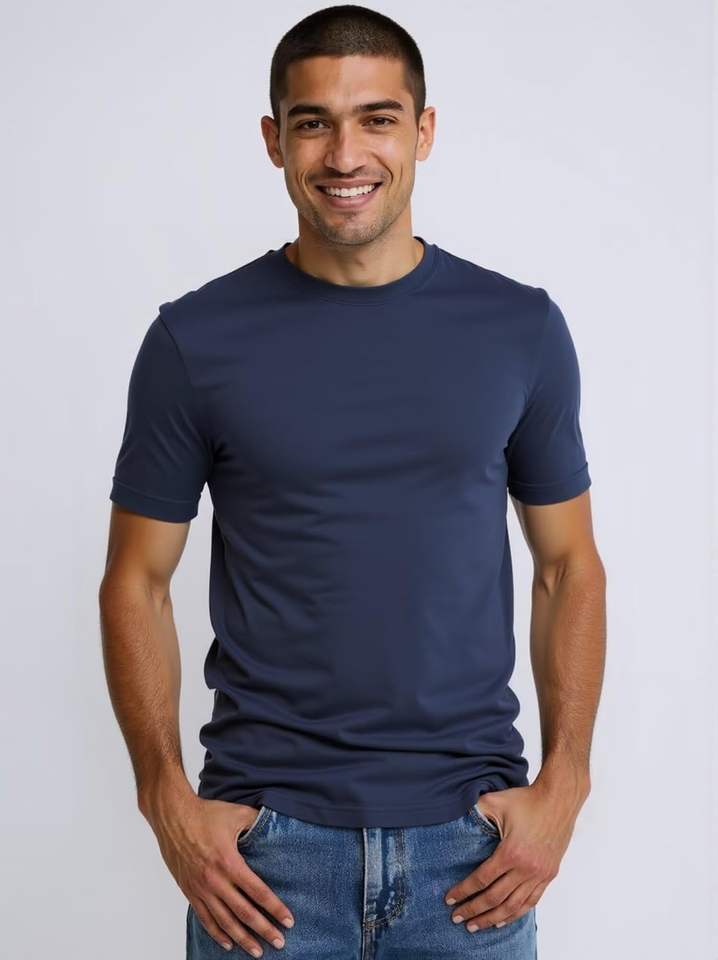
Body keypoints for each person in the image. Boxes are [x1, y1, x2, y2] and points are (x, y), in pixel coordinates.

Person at [99, 5, 606, 959]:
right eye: (313, 123)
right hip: (264, 861)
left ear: (423, 130)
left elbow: (567, 565)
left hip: (473, 851)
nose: (345, 155)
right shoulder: (193, 341)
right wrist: (165, 800)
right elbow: (136, 578)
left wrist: (566, 783)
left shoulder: (520, 330)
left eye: (377, 118)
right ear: (273, 140)